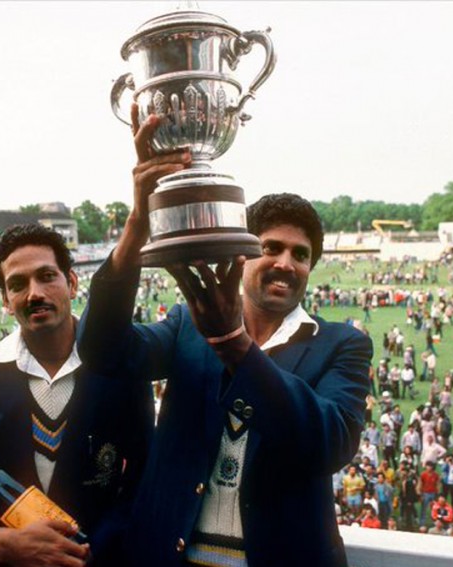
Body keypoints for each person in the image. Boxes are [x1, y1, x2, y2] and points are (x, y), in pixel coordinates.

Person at [79, 111, 373, 567]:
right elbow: (102, 351)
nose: (285, 262)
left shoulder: (341, 344)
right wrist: (139, 220)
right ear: (244, 250)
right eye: (271, 247)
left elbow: (329, 442)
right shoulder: (187, 325)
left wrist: (235, 343)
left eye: (301, 254)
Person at [0, 225, 154, 567]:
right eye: (18, 284)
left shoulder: (122, 367)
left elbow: (143, 484)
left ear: (73, 283)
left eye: (47, 276)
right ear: (5, 301)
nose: (35, 293)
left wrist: (88, 550)